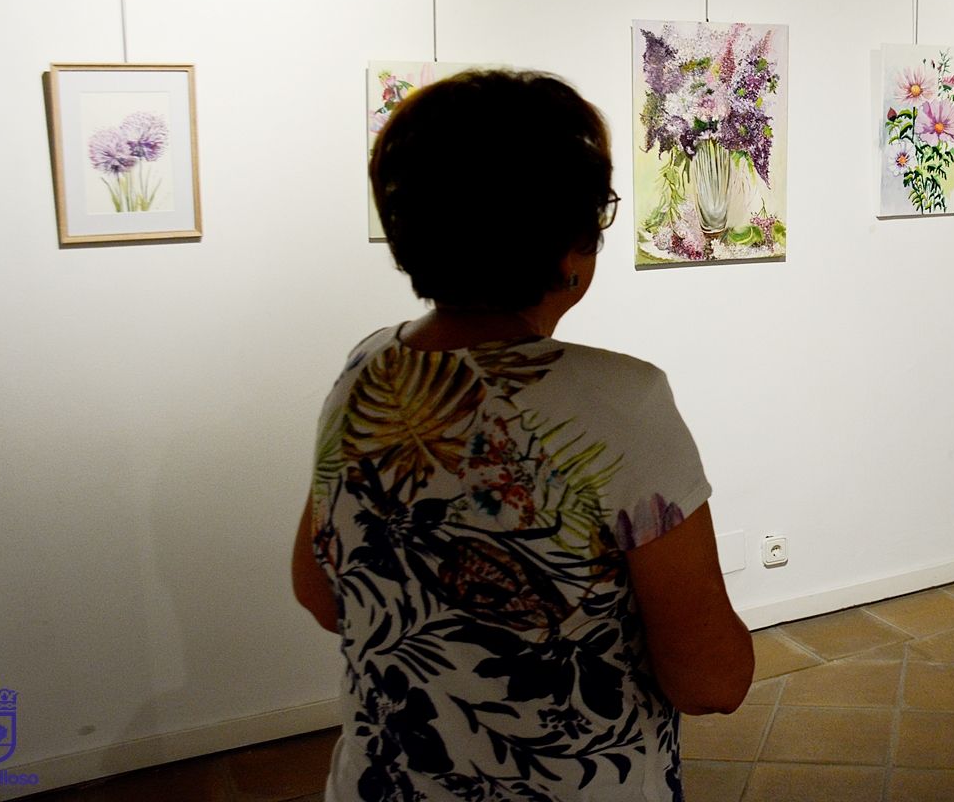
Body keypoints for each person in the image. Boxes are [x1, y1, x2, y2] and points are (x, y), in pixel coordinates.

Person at [291, 70, 754, 802]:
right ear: (570, 244)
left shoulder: (366, 368)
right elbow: (710, 682)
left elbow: (320, 591)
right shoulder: (620, 403)